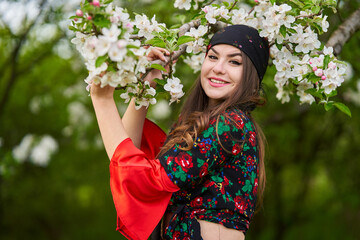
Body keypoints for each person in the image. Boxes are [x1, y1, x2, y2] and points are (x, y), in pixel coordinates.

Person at [90, 25, 269, 240]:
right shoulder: (201, 123)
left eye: (234, 62)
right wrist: (149, 84)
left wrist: (102, 100)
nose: (218, 68)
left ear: (252, 76)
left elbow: (145, 178)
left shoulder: (231, 124)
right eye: (212, 57)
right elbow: (127, 156)